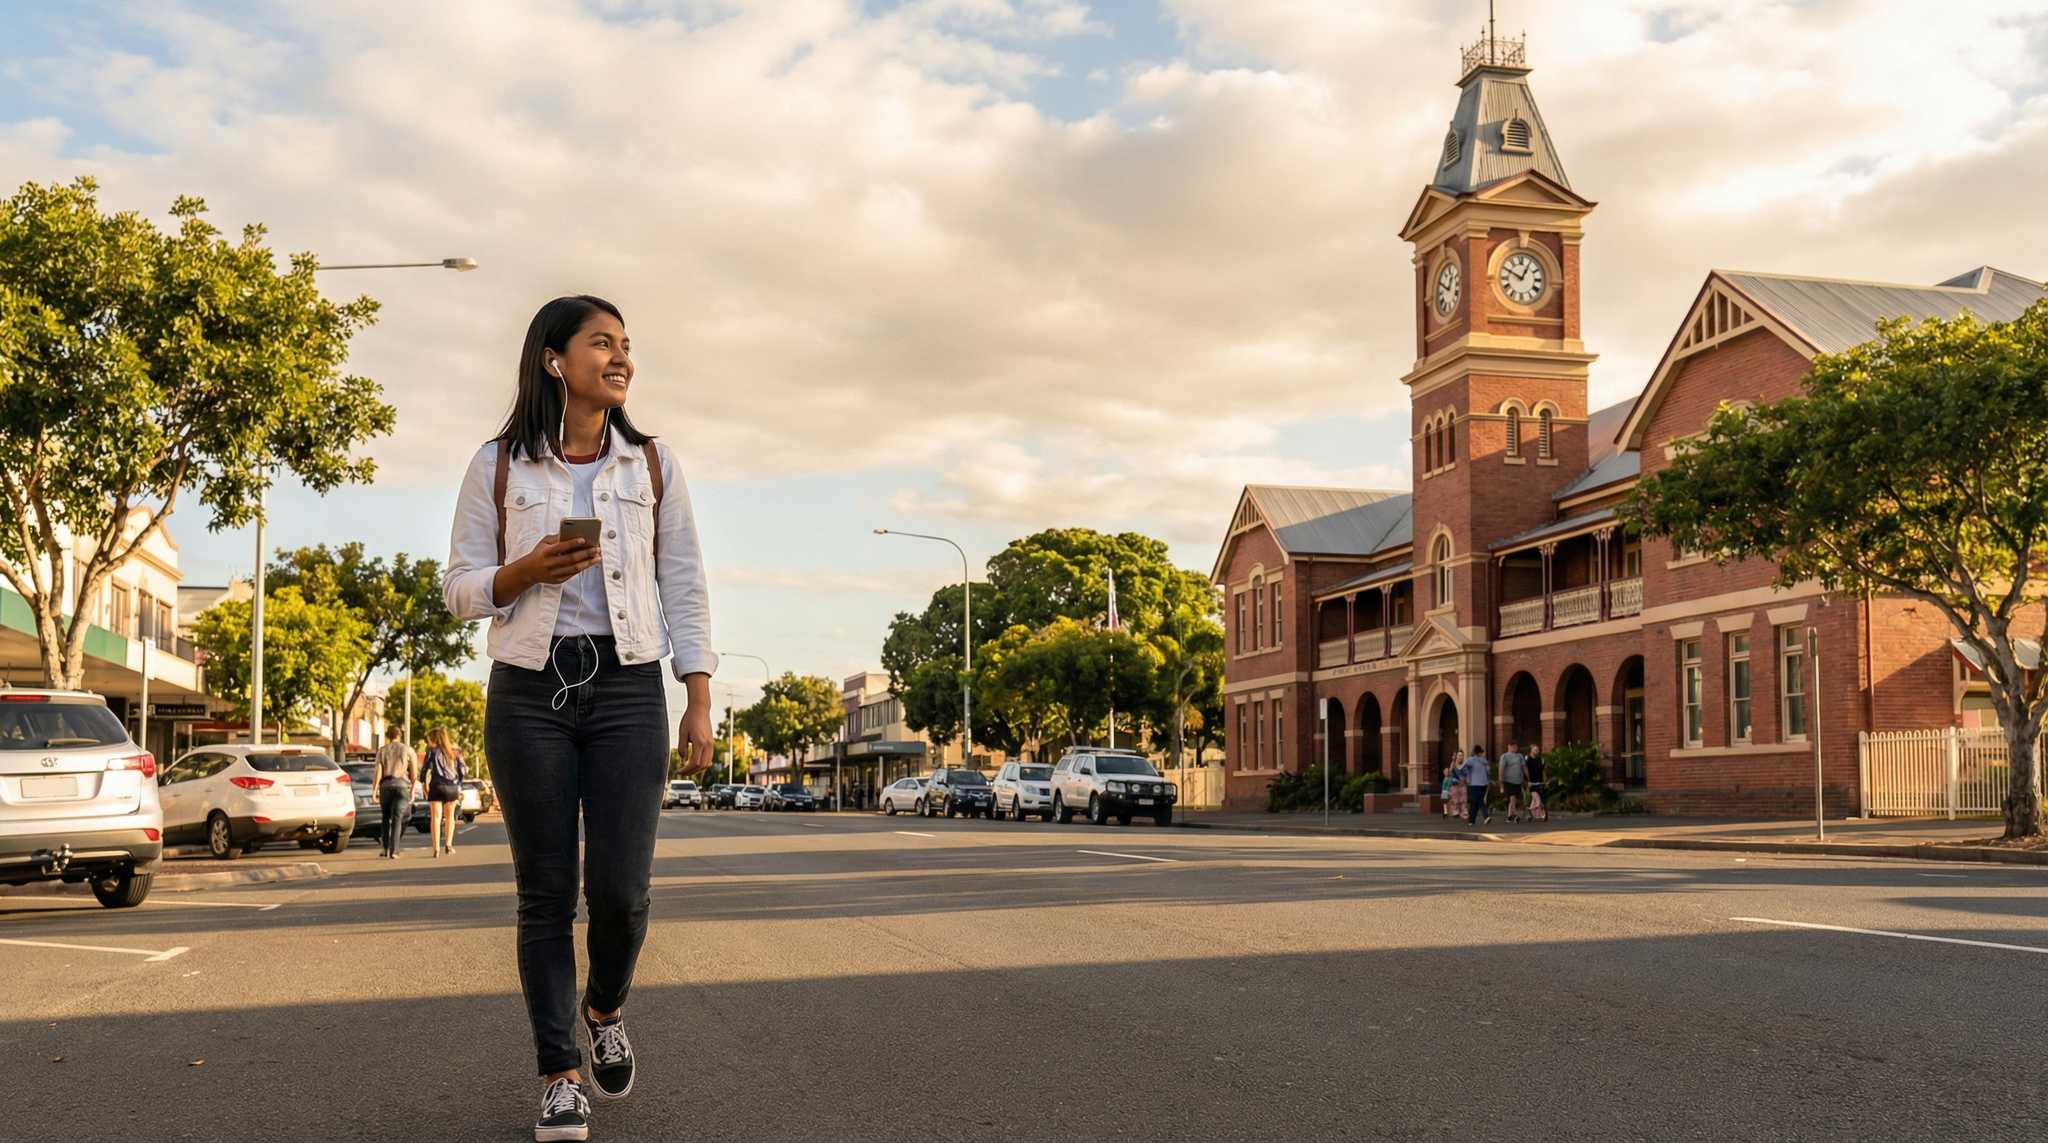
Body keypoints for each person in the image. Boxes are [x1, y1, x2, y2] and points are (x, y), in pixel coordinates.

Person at [444, 295, 716, 1143]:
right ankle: (560, 1076)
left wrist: (698, 694)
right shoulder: (499, 464)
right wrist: (523, 569)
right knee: (546, 895)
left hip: (630, 686)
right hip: (529, 689)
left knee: (623, 893)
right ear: (555, 359)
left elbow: (685, 581)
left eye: (626, 344)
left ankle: (604, 1007)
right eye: (602, 342)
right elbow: (459, 587)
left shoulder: (652, 464)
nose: (620, 356)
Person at [373, 731, 418, 859]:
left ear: (388, 736)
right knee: (397, 818)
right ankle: (394, 851)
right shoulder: (408, 750)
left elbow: (378, 771)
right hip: (401, 786)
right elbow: (414, 773)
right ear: (399, 736)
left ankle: (384, 848)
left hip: (385, 786)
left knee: (385, 817)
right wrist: (412, 789)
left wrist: (374, 791)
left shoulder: (382, 750)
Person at [423, 727, 467, 856]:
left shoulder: (431, 751)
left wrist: (424, 784)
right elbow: (462, 770)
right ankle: (448, 845)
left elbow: (425, 769)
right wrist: (458, 783)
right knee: (450, 817)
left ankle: (436, 848)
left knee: (436, 817)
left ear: (434, 739)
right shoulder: (455, 752)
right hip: (452, 787)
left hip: (436, 786)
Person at [1497, 742, 1529, 823]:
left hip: (1518, 780)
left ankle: (1509, 816)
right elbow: (1501, 768)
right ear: (1509, 747)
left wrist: (1528, 777)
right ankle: (1515, 814)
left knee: (1514, 798)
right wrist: (1500, 780)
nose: (1515, 748)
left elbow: (1524, 767)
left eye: (1516, 747)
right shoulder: (1504, 756)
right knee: (1512, 797)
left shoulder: (1520, 756)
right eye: (1513, 747)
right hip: (1508, 780)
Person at [1461, 744, 1491, 826]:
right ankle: (1471, 821)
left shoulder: (1470, 760)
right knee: (1475, 802)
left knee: (1478, 800)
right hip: (1484, 783)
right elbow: (1488, 772)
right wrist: (1489, 780)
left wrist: (1466, 775)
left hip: (1474, 784)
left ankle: (1486, 816)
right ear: (1479, 752)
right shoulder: (1484, 761)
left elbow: (1462, 768)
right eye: (1481, 752)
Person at [1526, 746, 1548, 822]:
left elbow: (1543, 771)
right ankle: (1538, 812)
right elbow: (1525, 769)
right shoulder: (1527, 759)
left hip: (1539, 782)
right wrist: (1527, 781)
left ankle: (1531, 814)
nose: (1537, 751)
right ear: (1531, 750)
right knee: (1537, 799)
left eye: (1538, 750)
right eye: (1535, 750)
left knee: (1534, 799)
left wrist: (1545, 781)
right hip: (1531, 783)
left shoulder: (1541, 759)